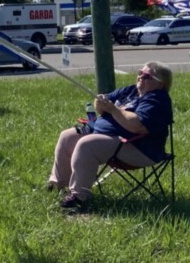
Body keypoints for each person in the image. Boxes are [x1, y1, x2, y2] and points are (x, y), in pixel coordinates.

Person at [47, 61, 174, 213]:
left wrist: (113, 110)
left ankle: (79, 198)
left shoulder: (157, 99)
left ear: (161, 84)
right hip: (108, 137)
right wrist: (100, 102)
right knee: (67, 136)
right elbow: (102, 107)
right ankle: (59, 185)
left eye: (147, 76)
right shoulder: (131, 91)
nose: (140, 77)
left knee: (87, 144)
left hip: (138, 148)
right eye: (140, 73)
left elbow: (137, 126)